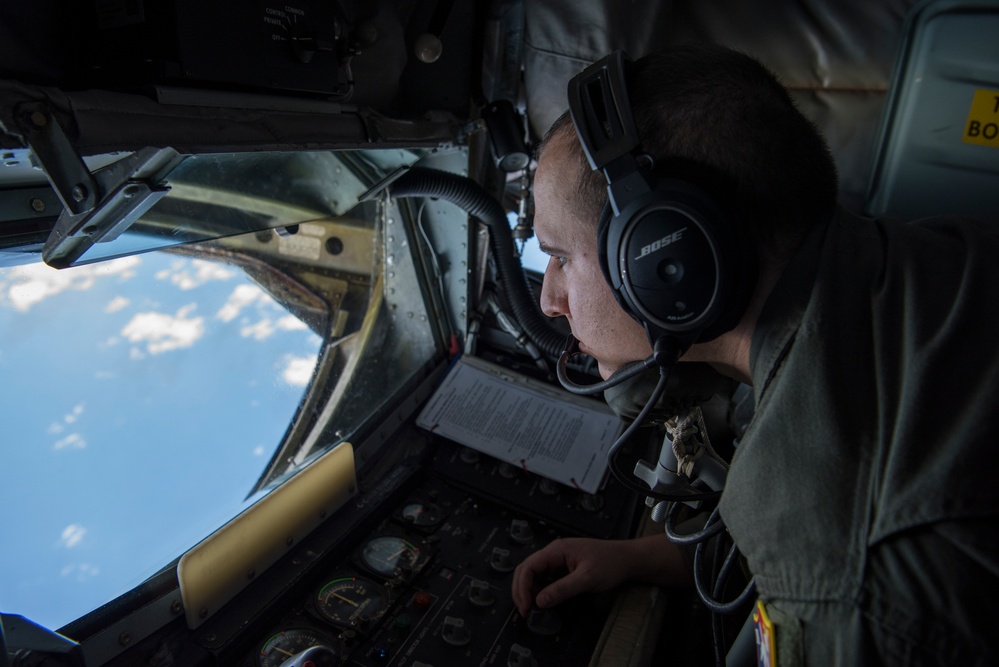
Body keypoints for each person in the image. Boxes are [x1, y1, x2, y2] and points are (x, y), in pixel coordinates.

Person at [511, 42, 999, 665]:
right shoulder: (906, 261)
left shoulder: (838, 574)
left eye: (559, 258)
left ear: (667, 256)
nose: (549, 301)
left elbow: (836, 541)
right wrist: (645, 557)